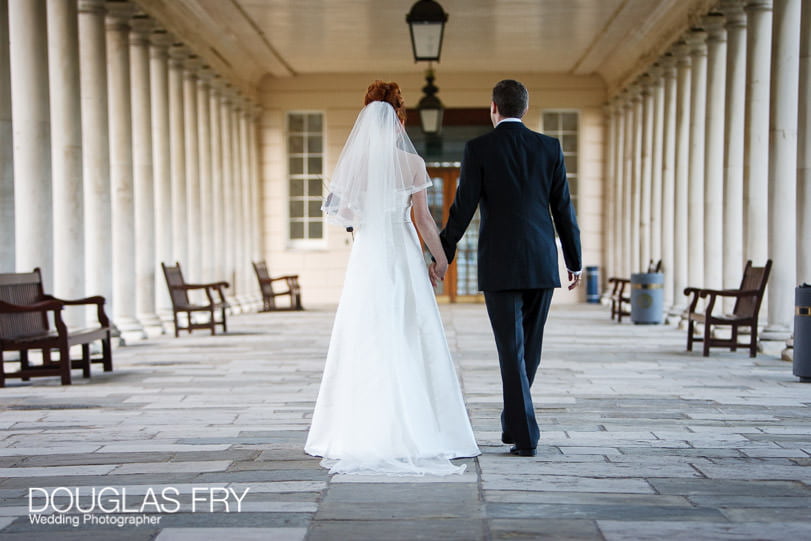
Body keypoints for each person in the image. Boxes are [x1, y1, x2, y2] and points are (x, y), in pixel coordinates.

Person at [304, 81, 480, 475]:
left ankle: (358, 427)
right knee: (409, 331)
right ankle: (422, 426)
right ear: (400, 120)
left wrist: (356, 214)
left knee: (365, 335)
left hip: (367, 256)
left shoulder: (353, 166)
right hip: (401, 254)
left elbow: (343, 215)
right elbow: (423, 221)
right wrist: (441, 259)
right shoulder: (412, 165)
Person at [433, 79, 582, 457]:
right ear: (525, 109)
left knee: (511, 350)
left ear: (493, 108)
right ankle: (516, 423)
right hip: (541, 261)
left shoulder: (479, 148)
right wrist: (574, 260)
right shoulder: (549, 147)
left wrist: (442, 252)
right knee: (529, 348)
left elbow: (462, 207)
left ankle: (524, 433)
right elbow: (563, 208)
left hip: (499, 262)